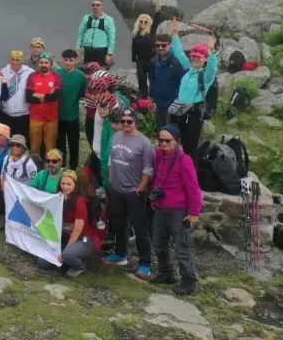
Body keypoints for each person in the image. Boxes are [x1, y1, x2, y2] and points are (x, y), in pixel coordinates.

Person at [150, 125, 203, 294]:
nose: (163, 144)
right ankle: (167, 273)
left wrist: (194, 213)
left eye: (167, 141)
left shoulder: (183, 160)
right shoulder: (158, 155)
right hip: (160, 207)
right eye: (160, 140)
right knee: (158, 243)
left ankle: (189, 282)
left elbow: (194, 188)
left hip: (179, 210)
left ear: (177, 141)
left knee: (182, 248)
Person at [104, 107, 155, 280]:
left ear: (135, 121)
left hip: (134, 191)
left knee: (140, 228)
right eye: (123, 121)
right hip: (116, 188)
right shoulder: (116, 136)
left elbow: (148, 169)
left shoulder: (144, 143)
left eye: (129, 121)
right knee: (119, 223)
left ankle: (145, 263)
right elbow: (112, 158)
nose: (125, 124)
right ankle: (120, 254)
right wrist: (111, 179)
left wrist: (140, 188)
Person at [165, 18, 219, 156]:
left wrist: (212, 51)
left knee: (190, 149)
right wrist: (175, 34)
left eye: (199, 57)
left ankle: (191, 175)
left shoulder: (205, 76)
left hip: (193, 116)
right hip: (180, 113)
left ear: (205, 59)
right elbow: (178, 53)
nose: (195, 58)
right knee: (177, 145)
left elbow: (212, 69)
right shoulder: (188, 69)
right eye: (193, 56)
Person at [56, 169, 99, 278]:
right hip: (66, 238)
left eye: (69, 184)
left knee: (67, 254)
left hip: (83, 239)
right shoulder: (59, 197)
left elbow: (77, 230)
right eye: (63, 183)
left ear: (76, 185)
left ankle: (80, 266)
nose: (65, 187)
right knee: (43, 263)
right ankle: (69, 259)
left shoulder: (80, 200)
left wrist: (65, 252)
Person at [26, 53, 62, 155]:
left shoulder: (57, 77)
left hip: (52, 119)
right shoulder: (32, 76)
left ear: (50, 64)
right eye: (41, 62)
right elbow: (29, 98)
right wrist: (47, 96)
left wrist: (37, 95)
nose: (43, 65)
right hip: (35, 118)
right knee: (34, 148)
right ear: (38, 64)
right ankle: (34, 170)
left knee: (50, 149)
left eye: (46, 62)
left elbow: (56, 96)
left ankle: (49, 170)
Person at [56, 50, 87, 169]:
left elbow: (83, 93)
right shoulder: (57, 74)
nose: (68, 63)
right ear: (62, 60)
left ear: (76, 60)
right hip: (58, 115)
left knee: (74, 144)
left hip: (73, 116)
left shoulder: (80, 76)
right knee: (60, 143)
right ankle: (61, 165)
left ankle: (73, 167)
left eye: (71, 60)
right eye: (66, 60)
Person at [148, 33, 185, 130]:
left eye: (163, 45)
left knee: (170, 133)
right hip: (159, 105)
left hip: (172, 106)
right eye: (157, 45)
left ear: (170, 45)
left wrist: (176, 103)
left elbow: (182, 85)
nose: (160, 48)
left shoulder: (176, 63)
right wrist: (151, 99)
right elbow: (153, 80)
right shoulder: (154, 61)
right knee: (160, 130)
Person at [0, 50, 34, 140]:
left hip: (23, 115)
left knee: (22, 141)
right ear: (9, 60)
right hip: (7, 114)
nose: (15, 62)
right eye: (13, 59)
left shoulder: (30, 72)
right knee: (7, 141)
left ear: (22, 61)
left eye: (18, 60)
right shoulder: (3, 72)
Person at [76, 0, 117, 67]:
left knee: (99, 73)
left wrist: (109, 54)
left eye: (98, 5)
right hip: (88, 50)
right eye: (93, 5)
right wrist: (78, 48)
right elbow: (81, 34)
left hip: (101, 51)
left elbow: (112, 38)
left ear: (102, 7)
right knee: (87, 72)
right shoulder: (86, 18)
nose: (95, 7)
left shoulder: (108, 20)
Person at [131, 14, 159, 98]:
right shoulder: (136, 34)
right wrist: (133, 60)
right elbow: (133, 47)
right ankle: (143, 100)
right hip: (140, 61)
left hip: (152, 60)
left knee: (153, 81)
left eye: (146, 22)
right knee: (141, 82)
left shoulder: (152, 31)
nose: (143, 23)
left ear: (149, 23)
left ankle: (153, 99)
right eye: (141, 21)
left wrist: (158, 10)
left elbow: (157, 20)